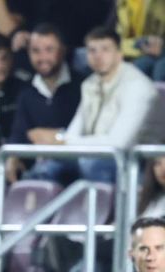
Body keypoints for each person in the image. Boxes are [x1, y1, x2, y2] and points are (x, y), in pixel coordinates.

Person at [27, 26, 162, 185]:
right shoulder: (89, 85)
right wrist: (59, 140)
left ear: (119, 54)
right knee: (45, 167)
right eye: (92, 50)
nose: (98, 56)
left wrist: (62, 140)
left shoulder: (137, 86)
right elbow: (73, 132)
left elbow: (118, 143)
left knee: (91, 164)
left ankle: (96, 210)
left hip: (135, 164)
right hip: (95, 156)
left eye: (105, 49)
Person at [7, 24, 80, 182]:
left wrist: (56, 136)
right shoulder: (26, 91)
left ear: (62, 51)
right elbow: (19, 134)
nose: (42, 57)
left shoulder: (83, 86)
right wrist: (12, 158)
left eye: (49, 49)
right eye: (36, 51)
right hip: (35, 169)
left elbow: (86, 133)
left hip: (74, 168)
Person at [119, 0, 165, 81]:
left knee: (159, 68)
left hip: (158, 49)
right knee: (140, 66)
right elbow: (112, 39)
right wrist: (141, 47)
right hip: (137, 48)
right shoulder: (121, 4)